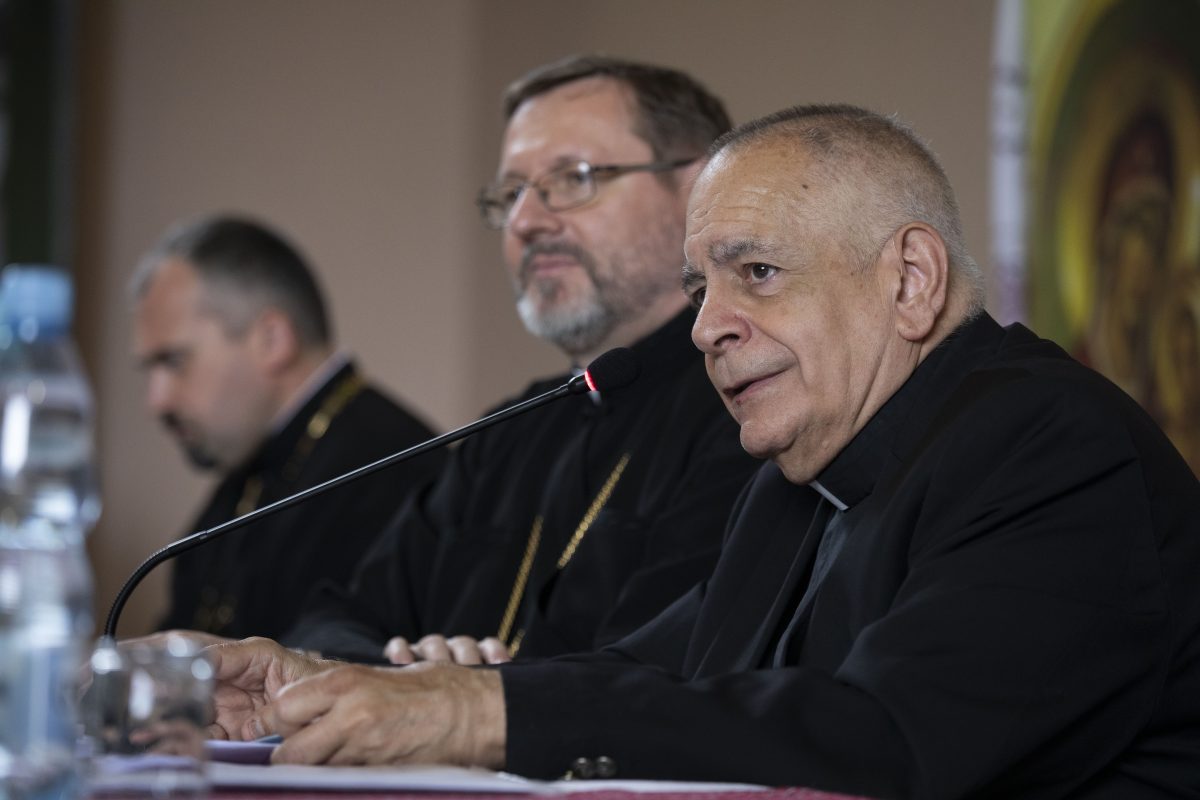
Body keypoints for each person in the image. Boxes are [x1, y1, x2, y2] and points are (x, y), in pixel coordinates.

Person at [209, 105, 1200, 799]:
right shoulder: (794, 482)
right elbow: (651, 677)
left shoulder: (1055, 447)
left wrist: (477, 714)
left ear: (910, 280)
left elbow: (882, 738)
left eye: (757, 273)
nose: (705, 328)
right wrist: (345, 686)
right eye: (701, 289)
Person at [279, 55, 758, 665]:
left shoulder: (746, 405)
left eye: (575, 177)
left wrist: (476, 705)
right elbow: (331, 621)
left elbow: (672, 677)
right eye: (511, 193)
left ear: (697, 191)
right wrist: (404, 674)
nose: (526, 220)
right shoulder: (507, 435)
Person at [131, 215, 446, 640]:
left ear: (272, 340)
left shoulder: (394, 469)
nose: (157, 400)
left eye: (173, 361)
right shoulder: (252, 471)